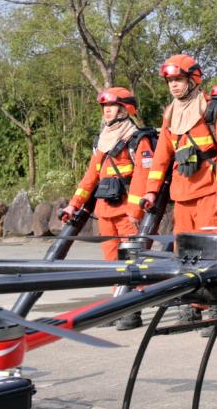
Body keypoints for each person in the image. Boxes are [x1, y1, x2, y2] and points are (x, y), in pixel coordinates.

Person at [142, 54, 217, 327]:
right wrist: (151, 190)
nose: (173, 86)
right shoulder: (170, 114)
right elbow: (162, 155)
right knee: (186, 254)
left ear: (192, 79)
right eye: (170, 81)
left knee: (212, 253)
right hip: (182, 194)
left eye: (178, 80)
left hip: (210, 192)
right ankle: (191, 302)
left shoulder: (215, 111)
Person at [61, 87, 155, 331]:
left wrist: (135, 213)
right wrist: (74, 204)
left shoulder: (137, 138)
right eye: (105, 107)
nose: (108, 111)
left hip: (126, 212)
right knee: (112, 261)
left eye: (113, 106)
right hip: (105, 210)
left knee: (132, 263)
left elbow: (142, 177)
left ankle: (132, 310)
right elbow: (90, 177)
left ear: (126, 109)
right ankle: (117, 306)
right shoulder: (102, 139)